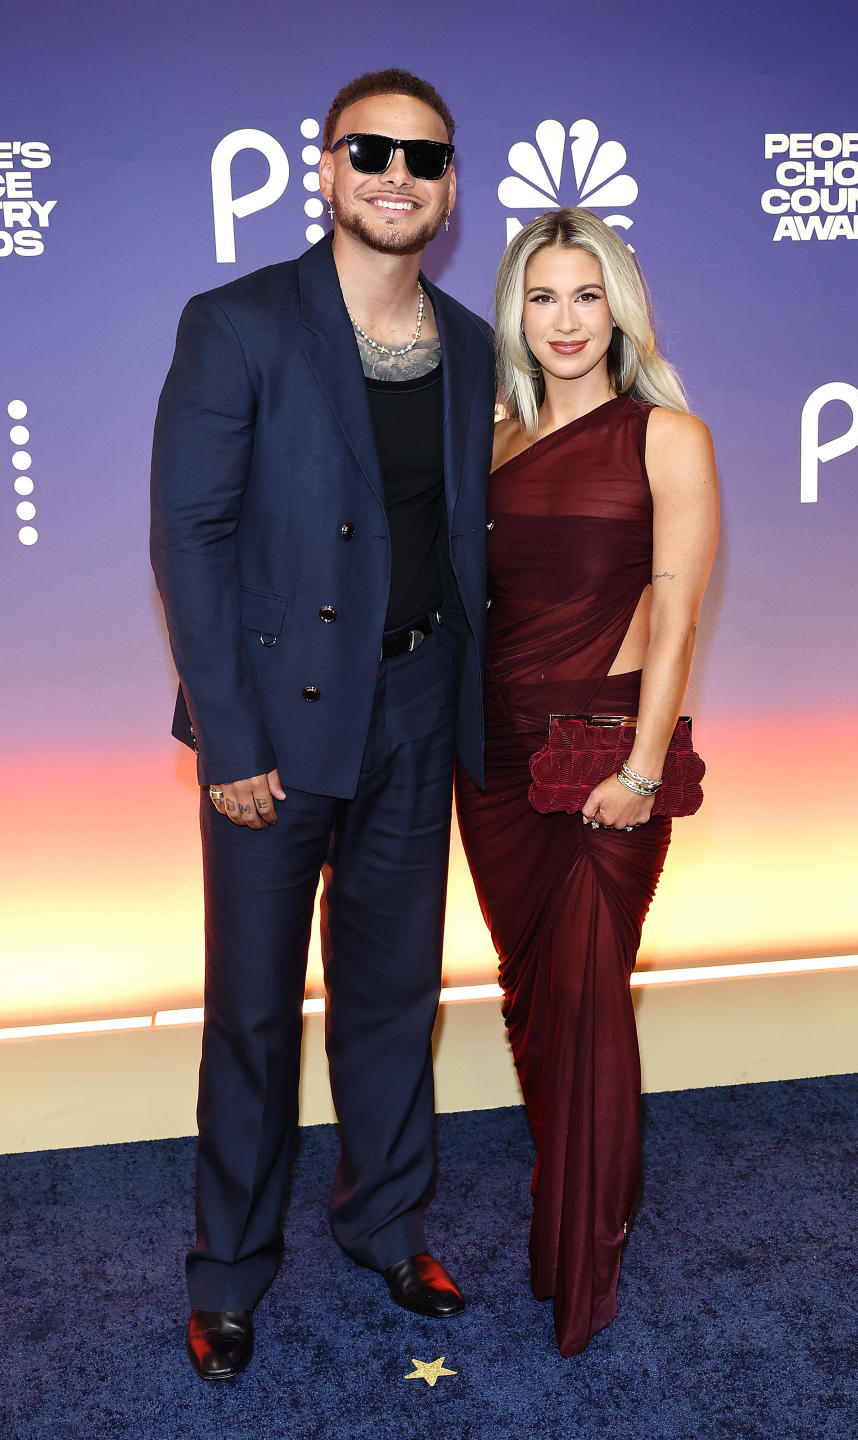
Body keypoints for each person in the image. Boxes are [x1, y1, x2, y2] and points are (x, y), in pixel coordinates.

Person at [150, 68, 495, 1380]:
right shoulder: (235, 323)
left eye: (425, 157)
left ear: (451, 186)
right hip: (275, 729)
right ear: (329, 171)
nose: (398, 176)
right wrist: (227, 742)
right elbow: (189, 535)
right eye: (373, 151)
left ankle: (385, 1224)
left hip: (417, 704)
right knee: (251, 1009)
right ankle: (229, 1269)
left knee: (397, 997)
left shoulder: (467, 344)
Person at [455, 208, 718, 1357]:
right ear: (518, 308)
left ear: (621, 306)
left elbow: (676, 615)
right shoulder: (496, 438)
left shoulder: (668, 434)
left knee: (589, 997)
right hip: (496, 756)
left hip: (605, 750)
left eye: (588, 294)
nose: (566, 320)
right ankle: (562, 1186)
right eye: (544, 296)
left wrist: (644, 768)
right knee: (531, 995)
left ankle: (585, 1252)